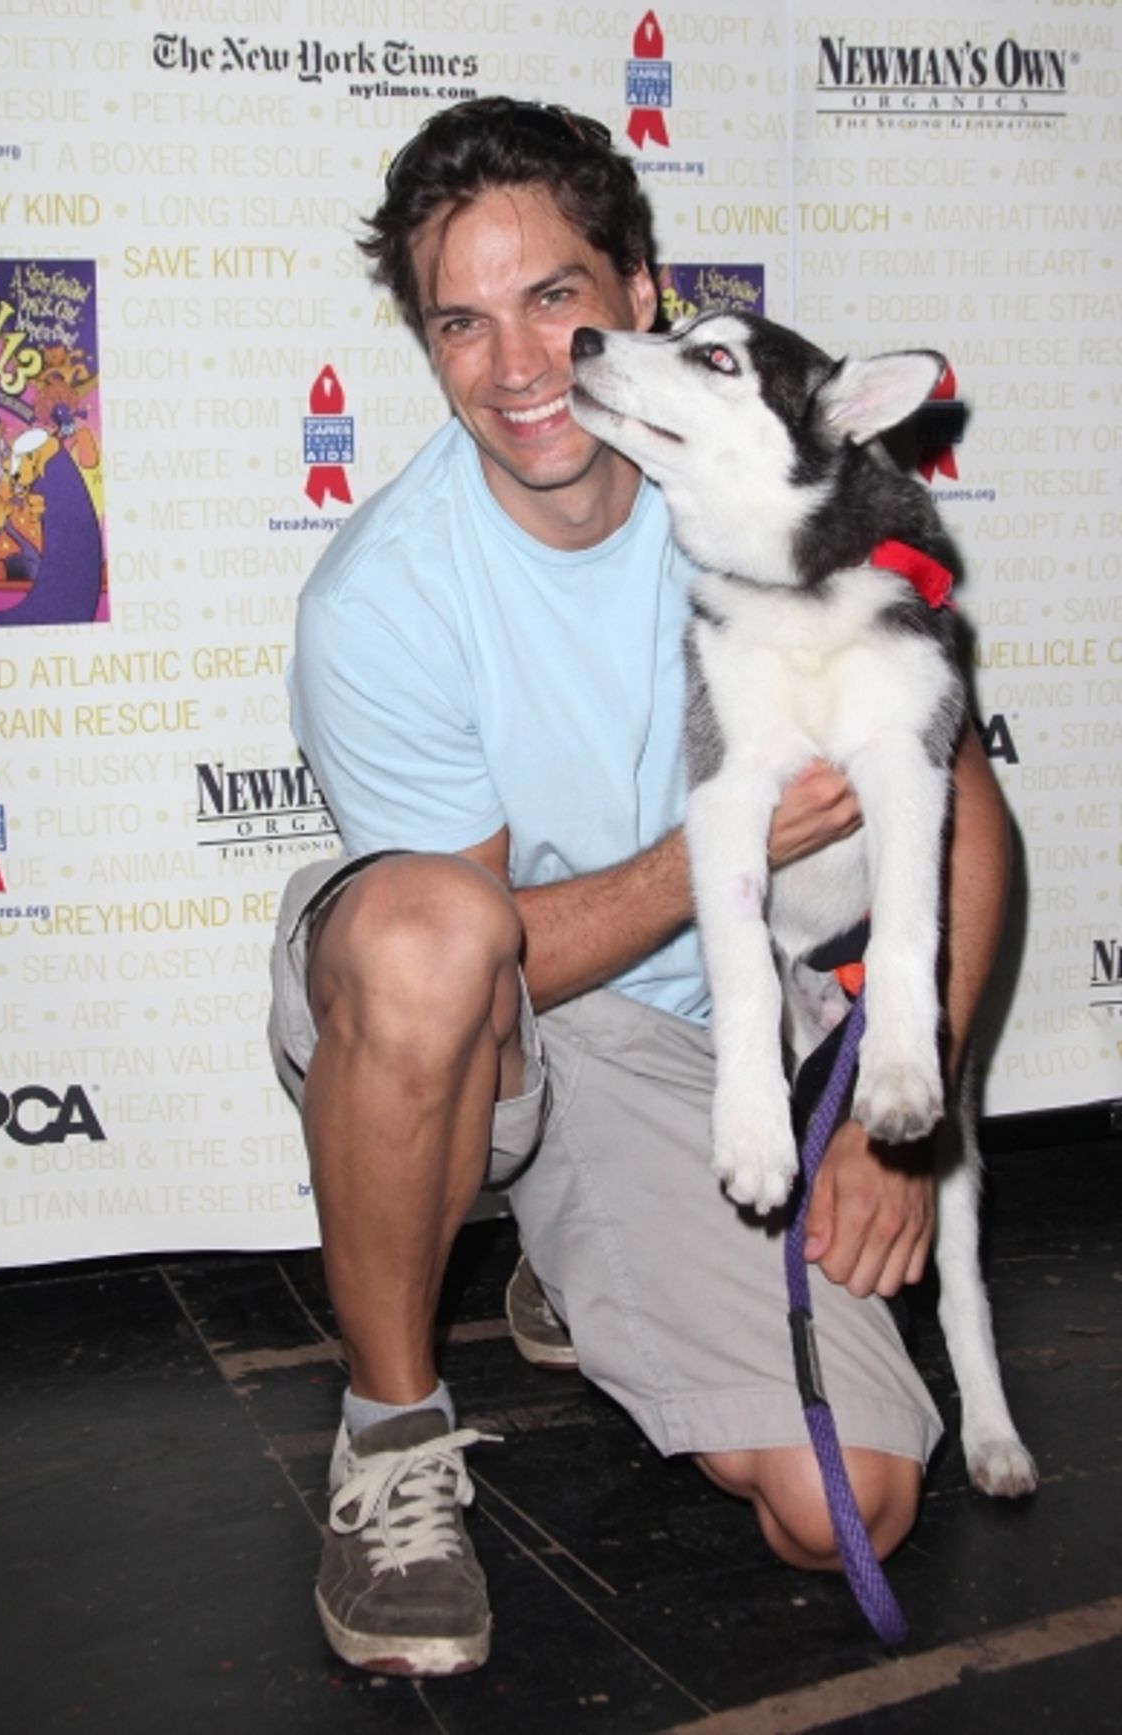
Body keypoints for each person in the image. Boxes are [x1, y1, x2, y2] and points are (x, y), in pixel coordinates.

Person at [268, 96, 1010, 1678]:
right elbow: (485, 958)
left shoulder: (783, 503)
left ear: (640, 295)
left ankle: (578, 1253)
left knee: (852, 1503)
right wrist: (710, 858)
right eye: (460, 323)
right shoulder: (384, 599)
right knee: (425, 940)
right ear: (427, 346)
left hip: (711, 1046)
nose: (520, 364)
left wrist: (904, 1102)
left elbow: (963, 824)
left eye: (553, 298)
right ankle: (389, 1438)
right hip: (509, 1017)